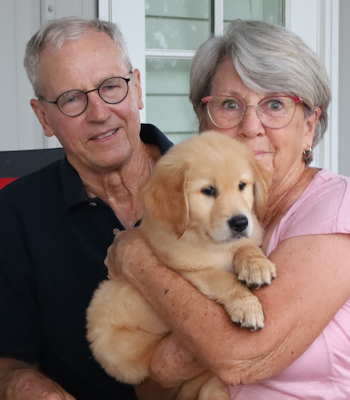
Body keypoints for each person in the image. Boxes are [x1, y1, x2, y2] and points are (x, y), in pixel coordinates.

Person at [106, 19, 350, 399]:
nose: (250, 126)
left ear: (309, 125)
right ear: (202, 120)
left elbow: (241, 358)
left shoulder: (337, 210)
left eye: (275, 104)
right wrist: (165, 363)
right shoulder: (199, 218)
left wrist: (137, 259)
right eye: (230, 105)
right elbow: (152, 388)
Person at [0, 17, 172, 400]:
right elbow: (7, 359)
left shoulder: (214, 181)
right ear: (43, 117)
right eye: (72, 98)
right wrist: (26, 386)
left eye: (111, 86)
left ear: (137, 89)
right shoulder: (12, 215)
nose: (99, 112)